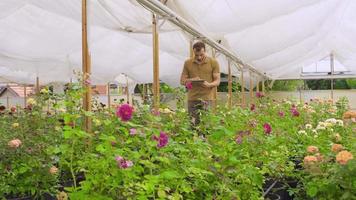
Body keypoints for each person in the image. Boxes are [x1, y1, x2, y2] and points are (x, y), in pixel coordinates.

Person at [180, 41, 220, 126]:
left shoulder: (213, 62)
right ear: (193, 52)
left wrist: (209, 84)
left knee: (207, 124)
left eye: (201, 55)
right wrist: (192, 79)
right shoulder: (188, 63)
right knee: (193, 124)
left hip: (207, 99)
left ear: (205, 51)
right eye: (196, 55)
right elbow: (182, 81)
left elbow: (217, 80)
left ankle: (205, 139)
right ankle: (194, 139)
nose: (199, 57)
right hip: (192, 99)